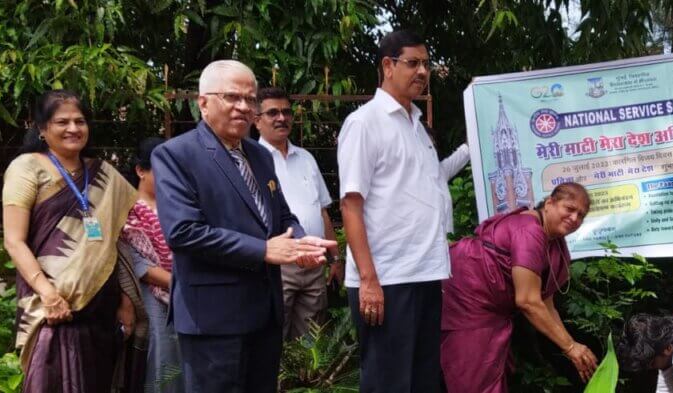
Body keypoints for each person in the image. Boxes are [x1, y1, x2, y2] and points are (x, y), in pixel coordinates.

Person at [151, 60, 336, 393]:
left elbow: (281, 216)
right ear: (203, 102)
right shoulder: (176, 155)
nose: (243, 107)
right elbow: (183, 232)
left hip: (264, 312)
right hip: (214, 319)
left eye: (250, 100)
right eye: (232, 97)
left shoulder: (259, 155)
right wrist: (264, 250)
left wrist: (302, 245)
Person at [2, 90, 145, 392]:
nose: (73, 129)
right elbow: (14, 241)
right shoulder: (27, 168)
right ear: (41, 129)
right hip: (53, 309)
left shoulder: (103, 174)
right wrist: (48, 295)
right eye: (61, 122)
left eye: (80, 121)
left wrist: (126, 300)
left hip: (102, 312)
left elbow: (117, 243)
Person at [337, 29, 449, 393]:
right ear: (388, 65)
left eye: (426, 64)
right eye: (412, 63)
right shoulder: (364, 123)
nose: (422, 72)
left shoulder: (417, 125)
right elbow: (351, 205)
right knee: (389, 382)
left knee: (422, 380)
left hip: (425, 271)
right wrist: (369, 280)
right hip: (387, 279)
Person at [441, 182, 598, 393]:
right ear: (550, 203)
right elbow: (527, 301)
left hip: (493, 312)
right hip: (467, 301)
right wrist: (570, 347)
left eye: (581, 215)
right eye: (569, 209)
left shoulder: (554, 243)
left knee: (492, 377)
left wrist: (571, 346)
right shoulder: (529, 231)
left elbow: (546, 305)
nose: (574, 219)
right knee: (474, 380)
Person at [254, 86, 342, 340]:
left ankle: (307, 383)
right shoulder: (251, 160)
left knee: (311, 343)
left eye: (286, 112)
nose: (281, 118)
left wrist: (335, 259)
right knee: (273, 339)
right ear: (257, 121)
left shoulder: (306, 158)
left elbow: (322, 211)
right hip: (277, 266)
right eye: (272, 113)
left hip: (314, 264)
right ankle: (275, 383)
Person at [119, 136, 184, 393]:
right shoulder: (128, 209)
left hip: (187, 294)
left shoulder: (179, 205)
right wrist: (179, 284)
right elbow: (136, 263)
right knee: (162, 357)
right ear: (140, 171)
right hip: (151, 295)